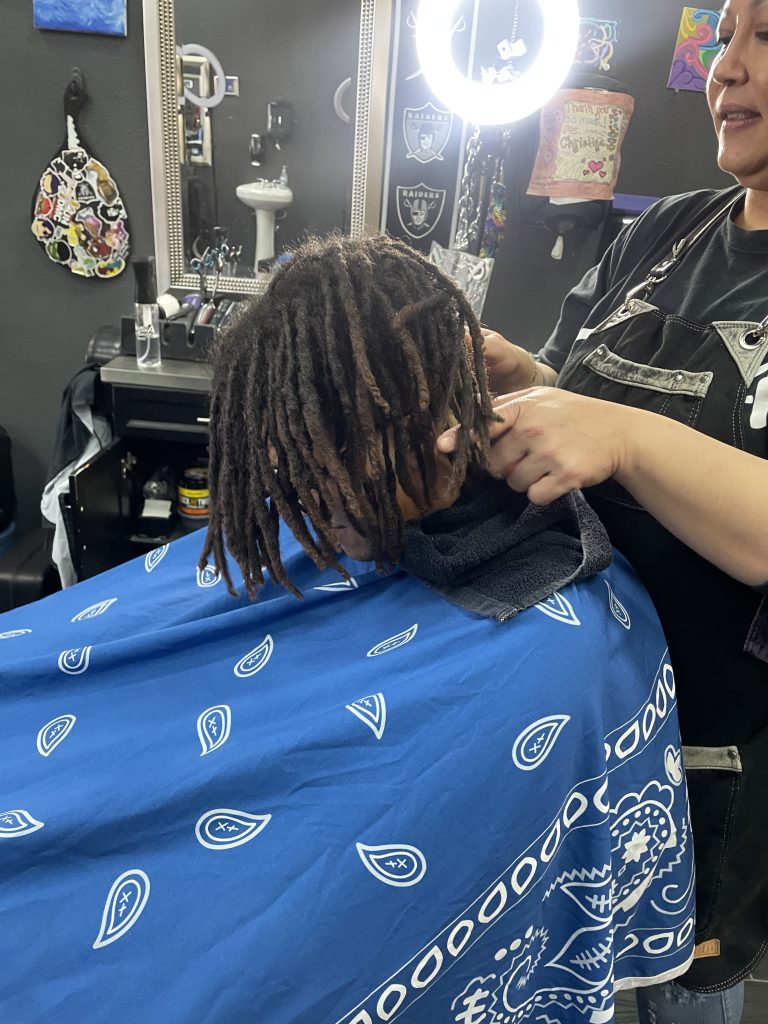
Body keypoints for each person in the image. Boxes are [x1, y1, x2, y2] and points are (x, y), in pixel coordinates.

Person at [0, 234, 695, 1022]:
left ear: (440, 428)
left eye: (334, 463)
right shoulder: (314, 517)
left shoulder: (560, 647)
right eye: (287, 468)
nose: (306, 500)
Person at [438, 2, 768, 1021]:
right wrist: (530, 373)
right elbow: (584, 387)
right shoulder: (666, 230)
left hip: (714, 756)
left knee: (680, 995)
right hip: (567, 726)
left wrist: (619, 436)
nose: (728, 68)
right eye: (724, 37)